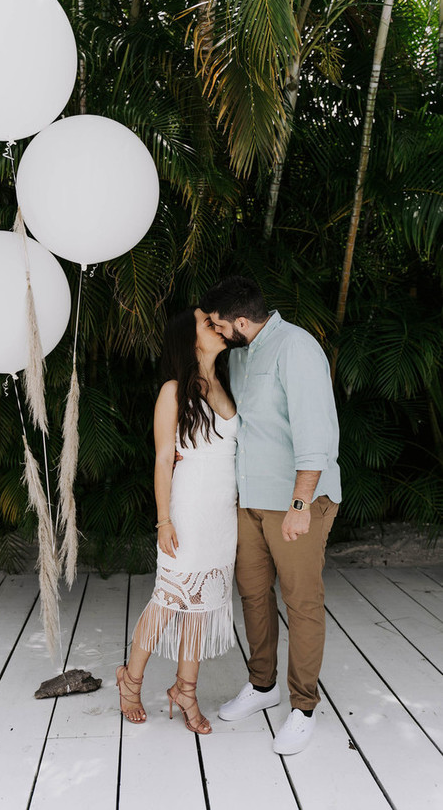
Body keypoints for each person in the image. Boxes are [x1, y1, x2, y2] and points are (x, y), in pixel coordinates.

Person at [199, 275, 341, 755]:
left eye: (219, 325)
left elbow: (316, 434)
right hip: (252, 499)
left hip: (297, 501)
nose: (217, 331)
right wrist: (206, 362)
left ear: (241, 321)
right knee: (254, 595)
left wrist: (300, 506)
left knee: (302, 602)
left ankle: (304, 707)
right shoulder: (241, 354)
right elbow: (238, 420)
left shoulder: (296, 348)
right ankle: (263, 686)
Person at [116, 307, 238, 734]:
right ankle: (130, 680)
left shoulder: (225, 382)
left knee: (200, 605)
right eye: (207, 323)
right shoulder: (173, 391)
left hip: (222, 515)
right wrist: (163, 520)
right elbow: (164, 457)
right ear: (190, 339)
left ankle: (186, 690)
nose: (217, 326)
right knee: (168, 601)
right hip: (187, 511)